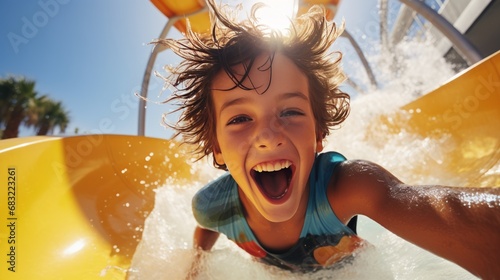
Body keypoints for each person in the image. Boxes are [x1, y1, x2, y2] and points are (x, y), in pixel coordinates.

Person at [155, 0, 500, 278]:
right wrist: (194, 267)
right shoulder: (212, 205)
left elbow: (439, 209)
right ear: (216, 147)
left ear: (319, 134)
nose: (267, 136)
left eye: (290, 111)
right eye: (240, 118)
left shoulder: (346, 187)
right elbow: (204, 230)